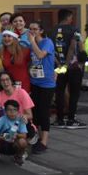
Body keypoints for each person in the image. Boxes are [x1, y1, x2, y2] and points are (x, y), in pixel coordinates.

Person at [51, 9, 85, 128]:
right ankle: (71, 119)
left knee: (59, 92)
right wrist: (67, 62)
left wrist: (59, 64)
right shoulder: (74, 30)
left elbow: (51, 51)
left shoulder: (52, 30)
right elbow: (73, 46)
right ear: (68, 17)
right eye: (71, 17)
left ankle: (59, 119)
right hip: (73, 67)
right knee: (74, 93)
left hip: (58, 67)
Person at [27, 21, 56, 154]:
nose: (32, 31)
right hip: (35, 81)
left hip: (46, 83)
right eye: (31, 29)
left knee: (44, 111)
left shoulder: (46, 42)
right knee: (36, 111)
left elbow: (40, 55)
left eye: (35, 29)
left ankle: (44, 141)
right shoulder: (32, 43)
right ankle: (37, 137)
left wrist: (32, 41)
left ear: (41, 31)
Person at [0, 99, 28, 165]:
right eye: (9, 110)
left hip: (14, 144)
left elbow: (24, 135)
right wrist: (2, 138)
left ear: (18, 111)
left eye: (15, 110)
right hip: (1, 143)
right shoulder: (2, 119)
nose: (12, 112)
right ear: (5, 111)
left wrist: (16, 135)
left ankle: (18, 156)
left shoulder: (21, 119)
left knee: (23, 141)